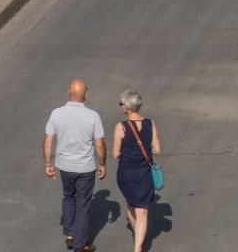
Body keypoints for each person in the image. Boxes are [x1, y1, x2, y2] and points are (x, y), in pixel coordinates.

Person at [44, 79, 106, 252]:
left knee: (68, 197)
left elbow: (48, 141)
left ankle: (70, 234)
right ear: (85, 95)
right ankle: (80, 244)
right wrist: (102, 163)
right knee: (83, 204)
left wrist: (48, 163)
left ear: (68, 92)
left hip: (65, 166)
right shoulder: (93, 116)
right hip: (85, 167)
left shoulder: (56, 113)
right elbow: (100, 144)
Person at [112, 90, 161, 252]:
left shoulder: (121, 127)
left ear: (126, 108)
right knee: (142, 211)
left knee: (132, 205)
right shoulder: (150, 123)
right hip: (144, 173)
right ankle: (138, 242)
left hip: (126, 173)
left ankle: (137, 247)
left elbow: (115, 153)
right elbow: (157, 149)